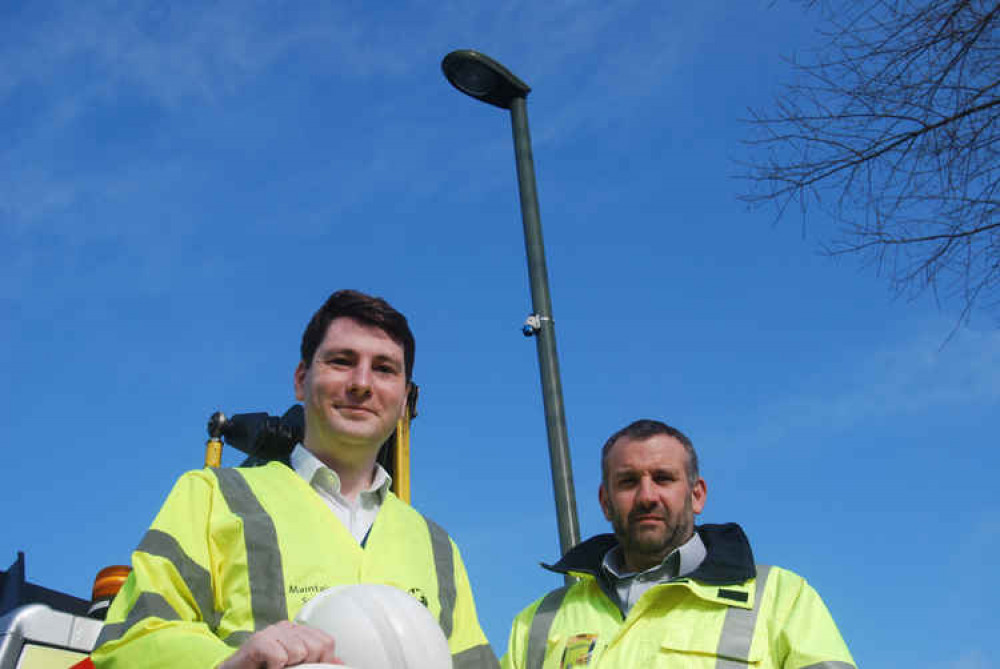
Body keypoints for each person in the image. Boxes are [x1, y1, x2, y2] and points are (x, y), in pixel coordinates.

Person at [93, 289, 499, 669]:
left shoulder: (438, 548)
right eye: (341, 361)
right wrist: (228, 664)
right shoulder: (214, 496)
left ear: (405, 399)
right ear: (301, 379)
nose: (361, 383)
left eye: (384, 369)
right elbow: (129, 642)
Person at [501, 419, 855, 669]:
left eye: (663, 478)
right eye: (627, 482)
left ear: (696, 495)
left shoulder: (781, 598)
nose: (646, 496)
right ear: (605, 501)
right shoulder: (539, 623)